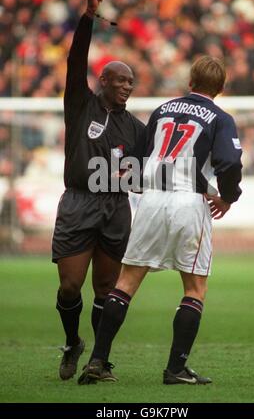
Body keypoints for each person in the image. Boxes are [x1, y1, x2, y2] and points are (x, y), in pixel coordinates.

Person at [77, 55, 243, 385]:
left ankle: (97, 360)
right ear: (221, 88)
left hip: (151, 201)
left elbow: (137, 158)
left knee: (125, 283)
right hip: (188, 202)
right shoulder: (221, 118)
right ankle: (175, 368)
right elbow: (229, 162)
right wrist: (228, 196)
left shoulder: (163, 110)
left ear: (190, 83)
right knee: (195, 288)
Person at [52, 0, 145, 381]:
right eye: (121, 80)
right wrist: (89, 16)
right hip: (77, 203)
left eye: (132, 83)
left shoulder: (137, 128)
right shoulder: (80, 102)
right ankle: (73, 342)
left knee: (106, 290)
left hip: (115, 207)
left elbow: (146, 171)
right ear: (104, 79)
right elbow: (75, 59)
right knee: (70, 287)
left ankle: (99, 361)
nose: (127, 86)